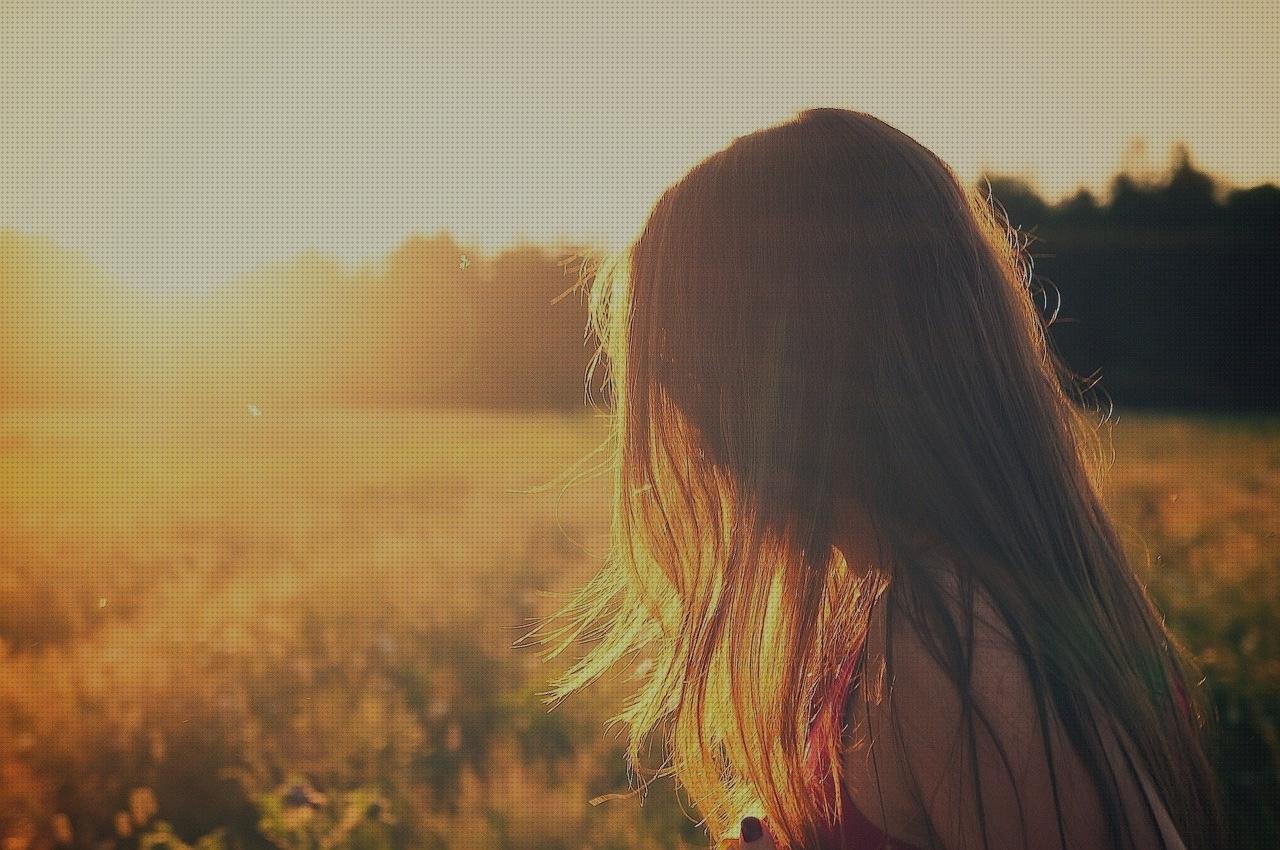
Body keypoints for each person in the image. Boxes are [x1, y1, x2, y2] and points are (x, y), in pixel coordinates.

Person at [534, 108, 1223, 849]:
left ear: (785, 378)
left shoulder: (951, 639)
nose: (688, 428)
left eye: (687, 369)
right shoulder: (965, 602)